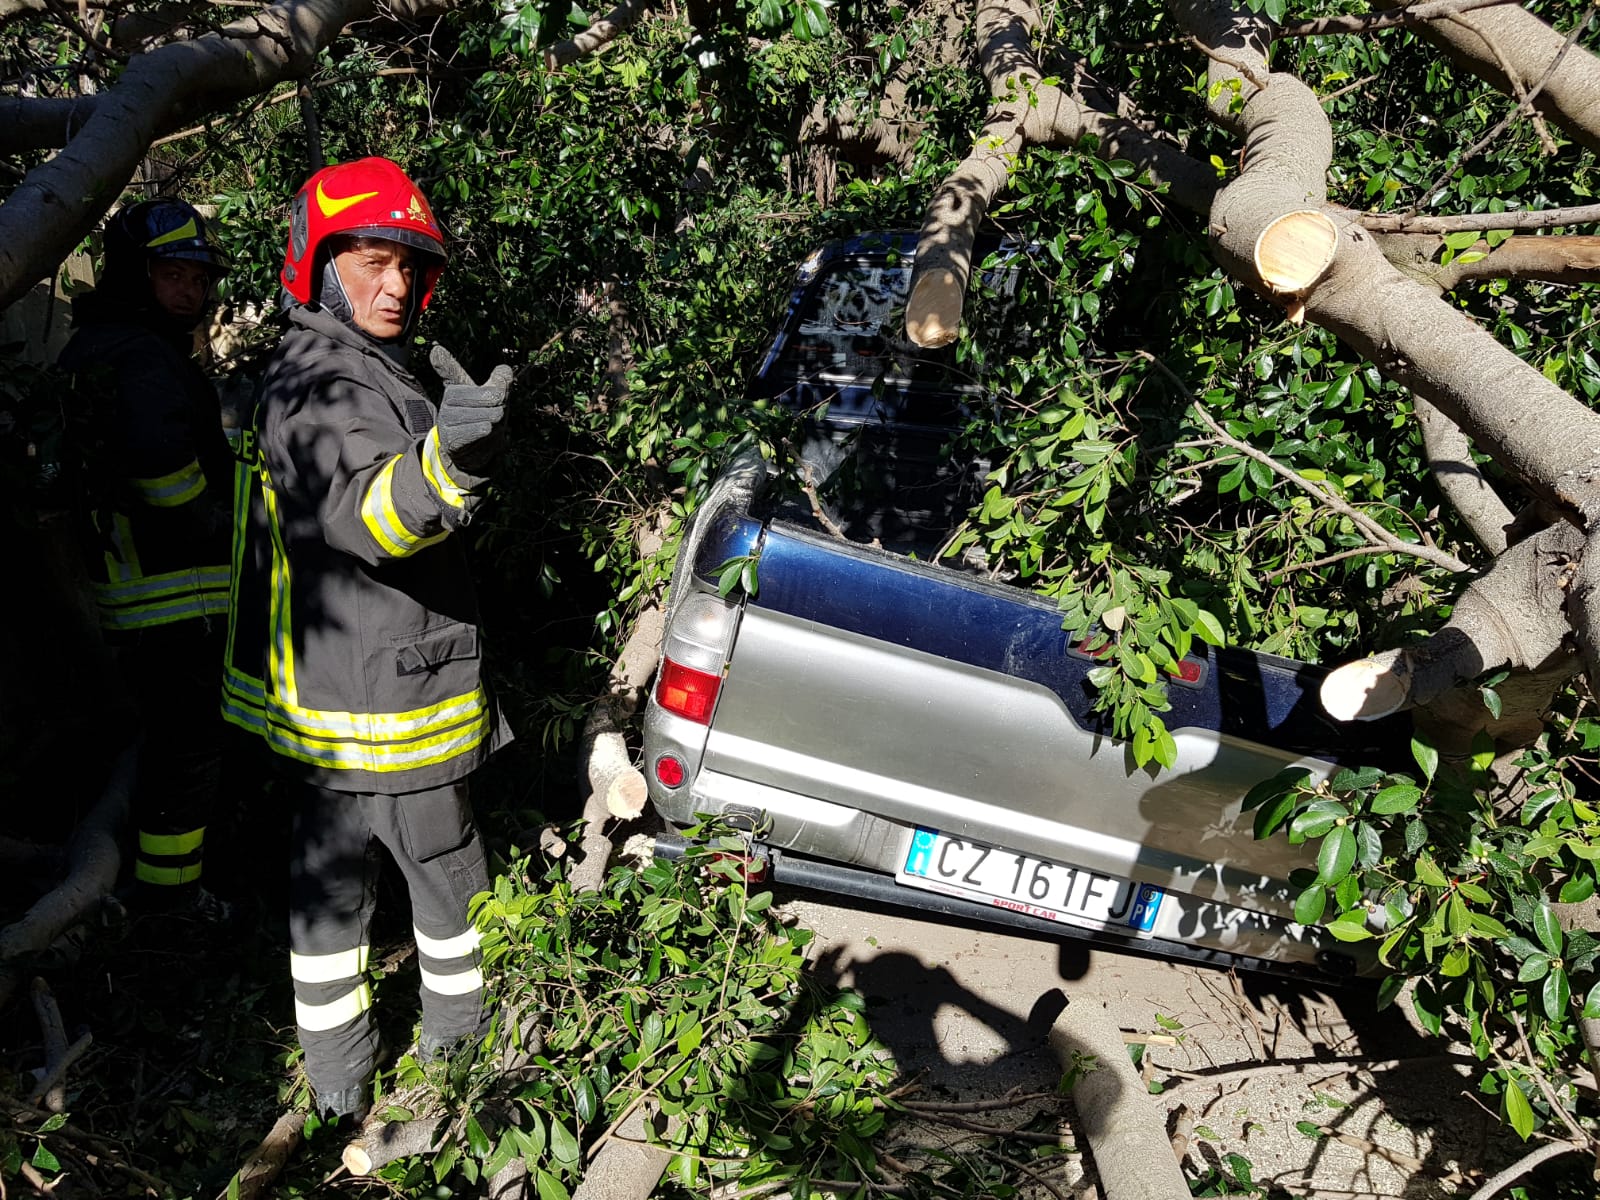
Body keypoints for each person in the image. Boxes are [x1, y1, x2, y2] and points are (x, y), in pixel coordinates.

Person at [221, 156, 514, 1120]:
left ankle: (340, 1091)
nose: (395, 285)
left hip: (342, 702)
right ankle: (463, 1074)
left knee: (329, 907)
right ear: (318, 266)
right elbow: (369, 519)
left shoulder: (332, 367)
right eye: (371, 262)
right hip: (392, 708)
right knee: (453, 896)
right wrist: (452, 462)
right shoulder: (331, 382)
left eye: (407, 266)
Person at [58, 199, 233, 909]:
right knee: (186, 754)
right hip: (177, 596)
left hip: (138, 595)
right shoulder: (142, 356)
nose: (190, 292)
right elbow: (163, 474)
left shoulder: (98, 346)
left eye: (198, 279)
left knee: (169, 748)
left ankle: (169, 894)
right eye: (172, 275)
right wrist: (222, 523)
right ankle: (174, 903)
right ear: (136, 275)